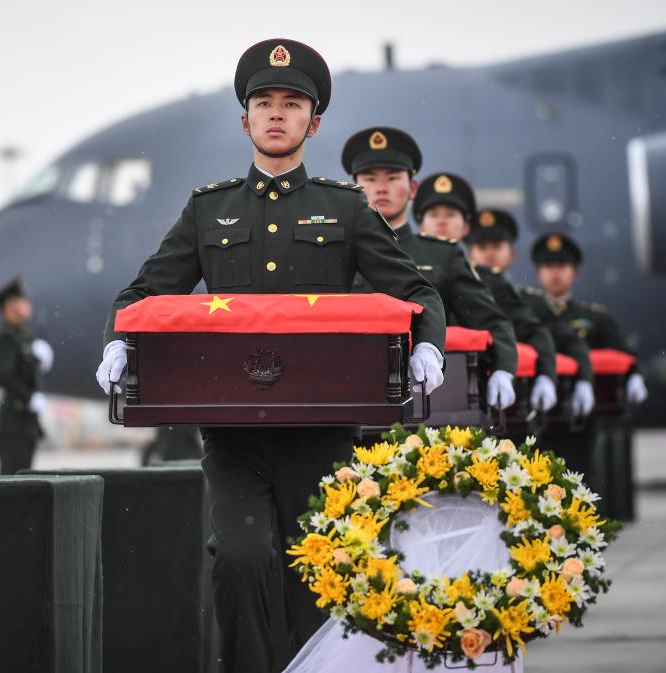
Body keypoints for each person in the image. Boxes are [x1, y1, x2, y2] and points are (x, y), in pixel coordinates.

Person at [96, 40, 446, 673]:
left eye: (291, 103)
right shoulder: (210, 209)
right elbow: (143, 294)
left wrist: (428, 345)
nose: (276, 113)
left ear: (314, 123)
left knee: (317, 570)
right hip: (234, 431)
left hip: (323, 427)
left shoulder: (345, 208)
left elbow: (416, 292)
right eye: (263, 102)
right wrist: (118, 341)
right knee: (240, 558)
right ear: (245, 121)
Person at [341, 129, 518, 410]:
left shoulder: (443, 255)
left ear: (413, 188)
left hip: (425, 397)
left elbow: (491, 320)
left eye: (393, 178)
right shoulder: (337, 249)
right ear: (355, 188)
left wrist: (503, 370)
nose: (381, 188)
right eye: (370, 179)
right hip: (347, 390)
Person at [521, 232, 647, 518]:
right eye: (549, 266)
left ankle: (579, 525)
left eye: (561, 266)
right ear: (539, 273)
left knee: (577, 473)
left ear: (574, 272)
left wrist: (633, 375)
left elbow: (622, 352)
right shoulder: (528, 314)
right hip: (535, 408)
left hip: (577, 413)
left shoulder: (593, 317)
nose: (555, 273)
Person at [459, 208, 560, 413]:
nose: (489, 253)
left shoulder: (524, 299)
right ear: (469, 253)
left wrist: (545, 376)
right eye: (481, 247)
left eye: (496, 246)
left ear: (512, 253)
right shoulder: (457, 286)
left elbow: (536, 333)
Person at [0, 276, 51, 475]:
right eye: (21, 301)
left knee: (24, 478)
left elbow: (28, 374)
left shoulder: (24, 335)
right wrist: (29, 397)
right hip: (13, 422)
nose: (26, 305)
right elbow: (3, 376)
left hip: (26, 423)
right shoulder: (6, 338)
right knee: (12, 479)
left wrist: (40, 362)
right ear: (9, 307)